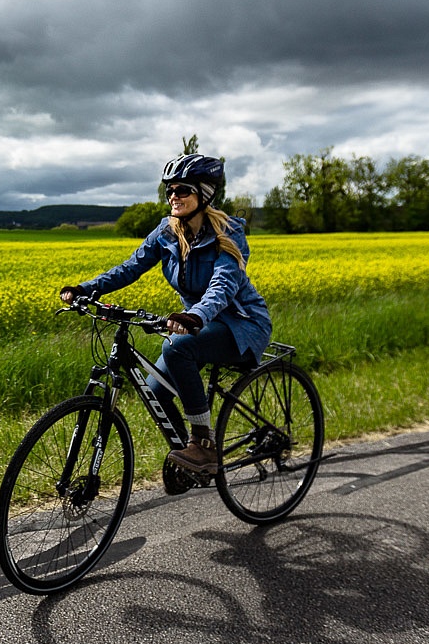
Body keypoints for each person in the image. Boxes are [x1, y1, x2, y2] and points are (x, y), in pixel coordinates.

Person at [60, 154, 272, 475]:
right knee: (156, 391)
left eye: (183, 189)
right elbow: (131, 267)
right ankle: (187, 461)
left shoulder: (228, 233)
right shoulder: (167, 231)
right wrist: (88, 289)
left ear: (204, 193)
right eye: (170, 190)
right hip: (200, 323)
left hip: (240, 324)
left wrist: (195, 316)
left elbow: (223, 285)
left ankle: (203, 445)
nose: (174, 196)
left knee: (176, 347)